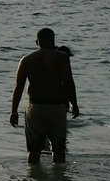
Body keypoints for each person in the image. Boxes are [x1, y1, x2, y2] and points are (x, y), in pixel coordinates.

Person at [9, 27, 81, 162]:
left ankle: (33, 180)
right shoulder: (62, 58)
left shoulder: (26, 60)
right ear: (53, 40)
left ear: (37, 42)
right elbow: (69, 83)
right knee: (59, 150)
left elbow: (18, 87)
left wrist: (13, 111)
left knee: (33, 151)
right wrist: (74, 104)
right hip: (57, 107)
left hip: (35, 107)